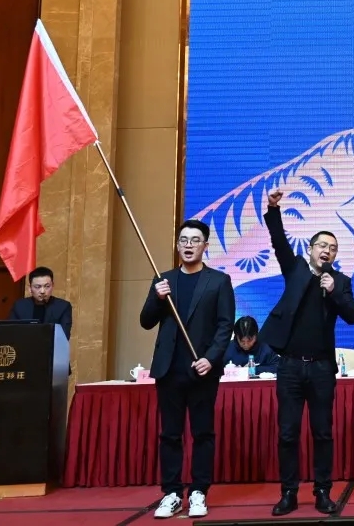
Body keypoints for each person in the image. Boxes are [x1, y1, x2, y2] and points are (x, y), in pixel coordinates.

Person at [259, 189, 354, 517]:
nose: (327, 251)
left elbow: (353, 315)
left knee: (322, 432)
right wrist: (273, 209)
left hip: (321, 369)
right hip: (289, 366)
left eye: (333, 248)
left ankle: (322, 491)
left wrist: (334, 293)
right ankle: (288, 492)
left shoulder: (340, 281)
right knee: (288, 433)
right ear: (311, 249)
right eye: (322, 246)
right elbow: (278, 241)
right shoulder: (295, 269)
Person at [140, 219, 235, 520]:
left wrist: (211, 358)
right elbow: (146, 321)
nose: (189, 245)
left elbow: (225, 325)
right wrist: (157, 298)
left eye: (195, 240)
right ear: (177, 245)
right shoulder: (163, 280)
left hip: (202, 369)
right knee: (170, 434)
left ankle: (198, 492)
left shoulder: (219, 281)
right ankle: (171, 493)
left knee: (202, 433)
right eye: (184, 240)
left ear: (206, 245)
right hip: (169, 369)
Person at [8, 266, 72, 340]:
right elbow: (11, 333)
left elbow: (64, 337)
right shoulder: (19, 306)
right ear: (30, 288)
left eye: (47, 286)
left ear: (52, 286)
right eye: (37, 287)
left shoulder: (63, 307)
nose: (42, 291)